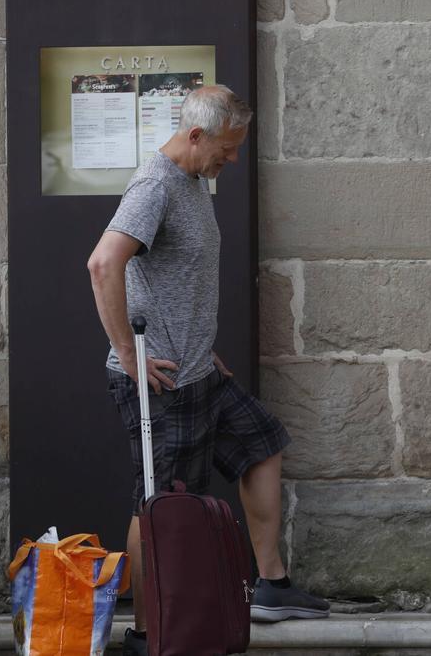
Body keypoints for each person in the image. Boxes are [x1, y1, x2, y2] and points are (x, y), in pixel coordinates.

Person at [87, 85, 330, 655]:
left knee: (261, 443)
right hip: (164, 384)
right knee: (160, 505)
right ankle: (149, 633)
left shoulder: (195, 179)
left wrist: (202, 340)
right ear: (196, 136)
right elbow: (103, 263)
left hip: (200, 370)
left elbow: (176, 277)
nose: (234, 158)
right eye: (228, 147)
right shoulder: (155, 186)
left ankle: (270, 585)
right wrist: (129, 352)